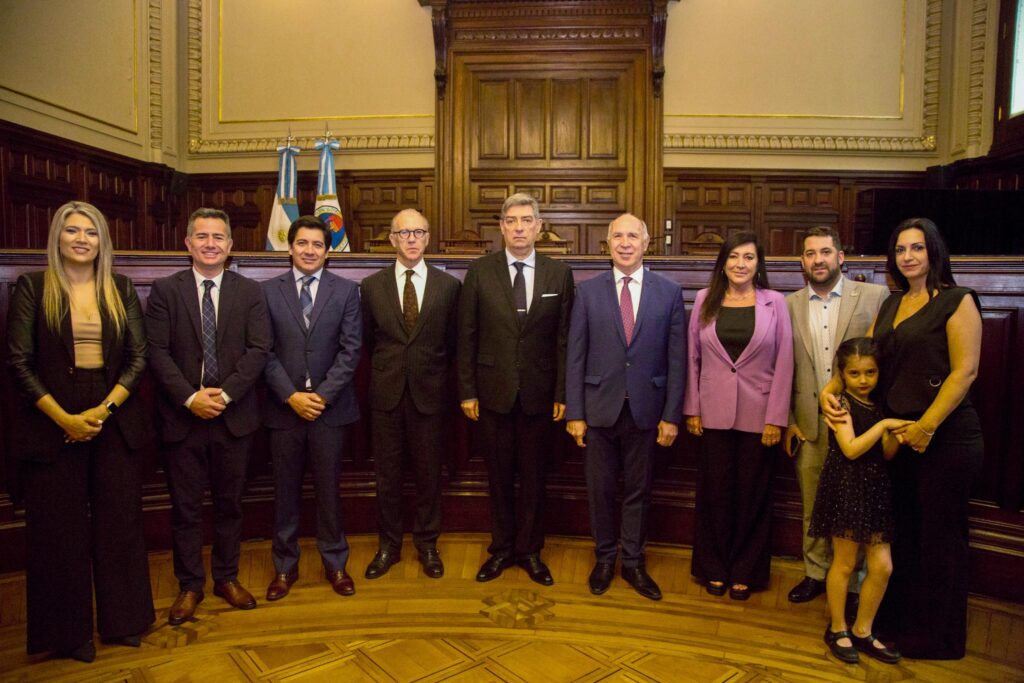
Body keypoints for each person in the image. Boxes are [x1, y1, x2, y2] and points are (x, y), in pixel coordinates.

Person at [821, 218, 983, 659]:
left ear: (934, 251)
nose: (908, 256)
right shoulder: (892, 303)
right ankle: (890, 626)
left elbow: (965, 371)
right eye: (900, 249)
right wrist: (829, 390)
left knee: (940, 540)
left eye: (917, 247)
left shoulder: (957, 300)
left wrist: (927, 426)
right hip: (896, 439)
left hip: (945, 439)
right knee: (904, 536)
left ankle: (936, 639)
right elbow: (867, 357)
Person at [6, 201, 154, 662]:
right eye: (72, 230)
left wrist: (102, 412)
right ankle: (66, 636)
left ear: (102, 241)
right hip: (51, 419)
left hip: (112, 415)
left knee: (119, 526)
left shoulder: (120, 288)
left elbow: (138, 358)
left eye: (90, 232)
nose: (81, 239)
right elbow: (18, 363)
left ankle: (124, 622)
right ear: (58, 237)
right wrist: (65, 419)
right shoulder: (33, 286)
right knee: (58, 532)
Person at [146, 208, 271, 625]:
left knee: (229, 504)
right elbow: (156, 352)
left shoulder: (250, 292)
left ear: (230, 245)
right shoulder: (166, 290)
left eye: (219, 237)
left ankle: (226, 578)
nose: (211, 244)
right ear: (188, 243)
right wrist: (190, 398)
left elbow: (259, 350)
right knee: (185, 508)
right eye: (202, 236)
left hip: (234, 418)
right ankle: (190, 585)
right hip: (182, 419)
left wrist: (226, 394)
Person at [565, 213, 686, 600]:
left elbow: (677, 359)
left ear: (646, 243)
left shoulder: (669, 292)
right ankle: (604, 559)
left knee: (639, 490)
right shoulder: (587, 291)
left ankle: (633, 562)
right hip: (598, 409)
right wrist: (575, 413)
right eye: (618, 236)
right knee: (599, 491)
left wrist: (671, 415)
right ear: (608, 243)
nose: (625, 243)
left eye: (633, 236)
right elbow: (575, 356)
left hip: (647, 410)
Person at [457, 192, 575, 586]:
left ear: (539, 227)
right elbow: (467, 335)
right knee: (499, 478)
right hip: (492, 394)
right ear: (502, 227)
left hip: (541, 396)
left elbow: (564, 339)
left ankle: (530, 551)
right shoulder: (480, 271)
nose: (519, 227)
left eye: (527, 220)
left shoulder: (559, 274)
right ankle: (502, 549)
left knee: (535, 479)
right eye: (512, 221)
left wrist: (562, 392)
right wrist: (467, 391)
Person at [683, 231, 793, 600]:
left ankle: (746, 571)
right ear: (723, 263)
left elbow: (785, 361)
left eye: (748, 257)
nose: (740, 264)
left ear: (758, 264)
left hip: (760, 416)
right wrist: (692, 408)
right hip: (711, 413)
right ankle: (713, 568)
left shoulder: (775, 302)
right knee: (714, 494)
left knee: (753, 497)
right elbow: (692, 357)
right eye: (733, 257)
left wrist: (776, 418)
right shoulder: (705, 299)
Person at [784, 227, 889, 605]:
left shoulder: (875, 296)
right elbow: (783, 368)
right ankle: (815, 572)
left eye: (825, 252)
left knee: (857, 507)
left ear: (840, 257)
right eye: (810, 254)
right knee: (813, 504)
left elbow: (885, 360)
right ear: (802, 262)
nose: (818, 260)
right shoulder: (788, 304)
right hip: (809, 424)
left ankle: (855, 583)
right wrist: (790, 420)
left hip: (858, 425)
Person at [261, 215, 361, 601]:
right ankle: (284, 568)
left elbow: (351, 350)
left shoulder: (346, 292)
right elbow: (264, 351)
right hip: (283, 409)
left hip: (329, 411)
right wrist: (291, 396)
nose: (309, 250)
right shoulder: (267, 292)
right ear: (290, 248)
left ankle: (335, 563)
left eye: (317, 245)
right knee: (284, 492)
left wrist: (320, 397)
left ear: (327, 252)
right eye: (302, 243)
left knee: (329, 491)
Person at [360, 209, 460, 580]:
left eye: (419, 232)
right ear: (392, 239)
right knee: (386, 477)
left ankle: (427, 544)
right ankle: (388, 546)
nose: (412, 239)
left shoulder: (448, 287)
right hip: (386, 396)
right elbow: (369, 341)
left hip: (430, 395)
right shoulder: (371, 286)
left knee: (428, 475)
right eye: (404, 233)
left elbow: (452, 343)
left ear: (428, 237)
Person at [809, 337, 909, 665]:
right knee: (845, 562)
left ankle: (863, 629)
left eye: (870, 372)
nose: (863, 380)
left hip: (876, 488)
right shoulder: (840, 404)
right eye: (854, 373)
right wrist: (885, 425)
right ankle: (837, 627)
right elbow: (850, 449)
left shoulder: (879, 403)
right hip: (847, 487)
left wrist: (895, 435)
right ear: (842, 374)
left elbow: (886, 454)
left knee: (882, 566)